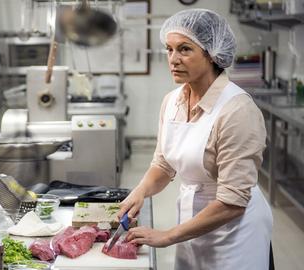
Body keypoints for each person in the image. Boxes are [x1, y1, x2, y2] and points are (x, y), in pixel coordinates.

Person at [117, 9, 273, 270]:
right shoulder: (172, 101)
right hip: (191, 223)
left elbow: (233, 201)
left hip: (234, 232)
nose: (173, 60)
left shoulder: (237, 111)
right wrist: (140, 191)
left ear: (212, 54)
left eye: (185, 49)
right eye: (169, 49)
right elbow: (164, 164)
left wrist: (167, 235)